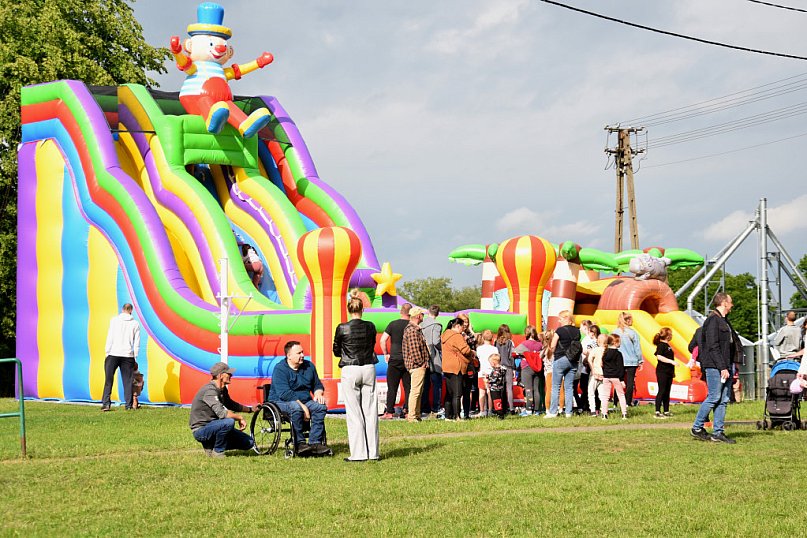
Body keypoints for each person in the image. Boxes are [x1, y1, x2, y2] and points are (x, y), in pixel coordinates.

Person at [332, 294, 379, 462]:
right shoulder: (371, 326)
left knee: (353, 411)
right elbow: (372, 343)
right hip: (368, 366)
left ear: (348, 309)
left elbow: (336, 349)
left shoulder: (342, 327)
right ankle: (373, 452)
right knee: (371, 410)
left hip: (350, 368)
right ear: (362, 309)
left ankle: (358, 453)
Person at [691, 293, 739, 444]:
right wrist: (722, 367)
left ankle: (718, 432)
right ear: (724, 303)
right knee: (714, 396)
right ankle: (697, 427)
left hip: (725, 365)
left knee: (723, 399)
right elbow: (712, 346)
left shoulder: (723, 320)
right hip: (715, 366)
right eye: (730, 302)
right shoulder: (713, 320)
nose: (732, 305)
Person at [269, 341, 331, 456]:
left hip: (304, 401)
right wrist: (304, 408)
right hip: (281, 401)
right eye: (299, 353)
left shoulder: (309, 366)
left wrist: (318, 393)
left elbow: (317, 384)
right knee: (296, 407)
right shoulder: (280, 369)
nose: (302, 355)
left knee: (320, 407)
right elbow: (285, 394)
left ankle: (315, 443)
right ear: (289, 356)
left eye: (302, 352)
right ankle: (300, 443)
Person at [189, 362, 257, 457]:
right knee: (228, 422)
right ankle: (218, 451)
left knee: (249, 442)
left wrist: (251, 409)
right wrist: (239, 417)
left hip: (216, 426)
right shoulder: (210, 391)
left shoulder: (222, 389)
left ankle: (211, 445)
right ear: (220, 375)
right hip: (201, 430)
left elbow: (231, 404)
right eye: (228, 373)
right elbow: (222, 414)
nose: (231, 375)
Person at [101, 303, 141, 411]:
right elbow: (136, 343)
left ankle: (106, 403)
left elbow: (110, 336)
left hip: (113, 353)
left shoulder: (114, 321)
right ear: (131, 311)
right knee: (127, 381)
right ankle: (128, 405)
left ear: (122, 310)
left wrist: (107, 352)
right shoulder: (135, 324)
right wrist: (135, 357)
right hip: (127, 355)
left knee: (109, 380)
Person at [379, 303, 412, 419]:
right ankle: (407, 411)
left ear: (400, 312)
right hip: (408, 360)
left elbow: (383, 340)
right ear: (410, 313)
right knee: (408, 387)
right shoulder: (412, 325)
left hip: (394, 359)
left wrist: (386, 354)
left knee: (392, 387)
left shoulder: (393, 324)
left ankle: (389, 412)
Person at [546, 311, 581, 418]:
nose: (559, 321)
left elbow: (553, 345)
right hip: (573, 360)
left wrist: (551, 351)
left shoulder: (559, 331)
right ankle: (569, 412)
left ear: (566, 318)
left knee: (555, 386)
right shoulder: (577, 331)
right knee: (569, 387)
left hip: (560, 359)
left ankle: (553, 412)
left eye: (560, 318)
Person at [441, 318, 474, 421]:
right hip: (457, 366)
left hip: (446, 366)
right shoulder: (457, 336)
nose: (463, 330)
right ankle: (457, 416)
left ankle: (447, 416)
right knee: (457, 393)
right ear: (458, 326)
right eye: (462, 327)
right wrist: (472, 352)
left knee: (449, 393)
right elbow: (466, 350)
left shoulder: (444, 335)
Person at [402, 307, 430, 423]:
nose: (423, 316)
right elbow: (414, 351)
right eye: (422, 314)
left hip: (417, 365)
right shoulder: (413, 330)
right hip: (416, 366)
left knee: (418, 390)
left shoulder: (413, 329)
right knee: (415, 391)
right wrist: (422, 363)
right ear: (418, 316)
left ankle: (416, 415)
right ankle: (412, 416)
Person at [611, 312, 643, 406]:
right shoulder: (633, 333)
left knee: (618, 382)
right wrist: (640, 360)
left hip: (618, 361)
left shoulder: (615, 332)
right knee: (629, 383)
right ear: (628, 320)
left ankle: (615, 402)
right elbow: (637, 348)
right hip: (631, 361)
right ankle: (628, 403)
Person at [419, 305, 444, 417]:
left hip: (423, 357)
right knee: (437, 383)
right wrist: (441, 348)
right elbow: (435, 341)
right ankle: (436, 407)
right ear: (438, 314)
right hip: (434, 358)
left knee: (425, 384)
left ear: (428, 312)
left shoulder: (421, 325)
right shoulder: (436, 325)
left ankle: (425, 407)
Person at [515, 325, 543, 416]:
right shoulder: (540, 344)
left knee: (528, 389)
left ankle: (528, 410)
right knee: (537, 390)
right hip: (537, 368)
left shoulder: (525, 344)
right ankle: (537, 410)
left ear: (526, 333)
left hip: (526, 367)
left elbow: (515, 352)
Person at [600, 334, 628, 420]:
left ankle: (604, 414)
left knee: (605, 396)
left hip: (606, 376)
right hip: (616, 377)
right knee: (621, 395)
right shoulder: (618, 354)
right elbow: (620, 367)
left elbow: (603, 365)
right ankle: (624, 414)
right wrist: (622, 379)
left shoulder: (605, 353)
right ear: (615, 343)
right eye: (619, 342)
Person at [457, 313, 479, 418]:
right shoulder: (456, 334)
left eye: (467, 322)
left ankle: (466, 411)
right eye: (463, 322)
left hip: (469, 364)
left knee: (468, 389)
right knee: (459, 389)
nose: (465, 324)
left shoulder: (470, 334)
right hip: (459, 364)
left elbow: (474, 346)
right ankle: (459, 410)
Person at [653, 327, 676, 418]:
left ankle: (666, 410)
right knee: (662, 390)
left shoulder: (668, 345)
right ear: (667, 336)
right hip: (662, 371)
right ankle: (657, 411)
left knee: (667, 391)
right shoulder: (661, 345)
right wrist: (671, 362)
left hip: (669, 372)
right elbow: (659, 356)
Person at [576, 321, 598, 414]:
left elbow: (584, 351)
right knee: (591, 387)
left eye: (581, 327)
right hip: (592, 366)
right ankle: (591, 406)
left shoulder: (586, 339)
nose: (580, 329)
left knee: (586, 387)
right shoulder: (595, 339)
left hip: (587, 366)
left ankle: (586, 406)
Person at [476, 329, 498, 417]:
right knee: (489, 392)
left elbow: (478, 358)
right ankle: (490, 410)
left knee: (481, 392)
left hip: (482, 372)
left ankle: (482, 410)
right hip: (491, 373)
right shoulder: (494, 349)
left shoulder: (479, 349)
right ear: (492, 338)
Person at [495, 324, 516, 413]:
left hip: (499, 366)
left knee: (501, 388)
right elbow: (512, 355)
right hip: (508, 367)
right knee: (509, 388)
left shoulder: (496, 342)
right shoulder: (510, 342)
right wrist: (513, 367)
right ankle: (511, 408)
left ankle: (502, 408)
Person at [587, 334, 608, 416]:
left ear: (598, 341)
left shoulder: (595, 350)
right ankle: (604, 411)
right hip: (603, 374)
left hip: (595, 373)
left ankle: (592, 410)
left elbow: (589, 359)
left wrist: (592, 370)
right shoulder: (607, 351)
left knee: (591, 392)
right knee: (602, 394)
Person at [486, 354, 507, 419]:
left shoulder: (496, 370)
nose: (490, 364)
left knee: (496, 401)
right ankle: (500, 412)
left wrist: (488, 378)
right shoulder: (502, 369)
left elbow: (494, 379)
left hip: (495, 388)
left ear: (494, 362)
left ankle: (500, 414)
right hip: (500, 388)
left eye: (490, 363)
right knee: (499, 401)